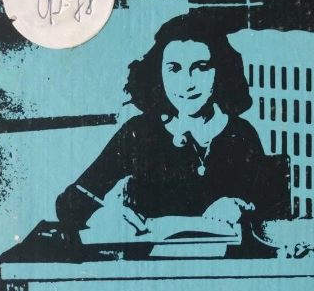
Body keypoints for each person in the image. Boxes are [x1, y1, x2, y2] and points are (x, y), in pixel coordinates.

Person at [56, 14, 289, 250]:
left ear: (221, 71)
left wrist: (240, 205)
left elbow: (271, 211)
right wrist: (106, 214)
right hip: (152, 265)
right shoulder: (138, 132)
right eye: (174, 69)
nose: (187, 83)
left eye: (201, 68)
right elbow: (70, 202)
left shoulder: (241, 134)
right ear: (158, 73)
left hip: (224, 265)